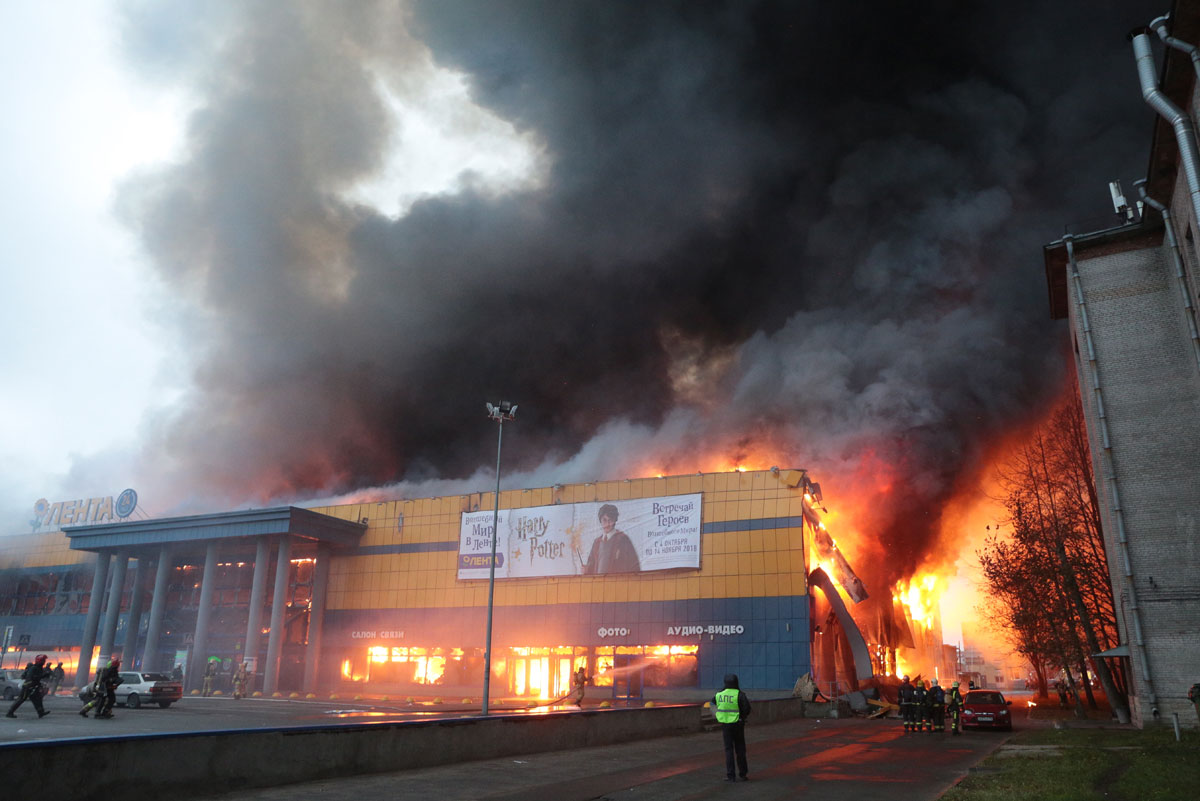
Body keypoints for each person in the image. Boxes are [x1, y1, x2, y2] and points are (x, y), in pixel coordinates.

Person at [713, 673, 751, 782]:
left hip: (726, 725)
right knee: (740, 750)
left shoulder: (719, 694)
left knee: (728, 750)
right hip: (738, 725)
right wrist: (742, 717)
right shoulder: (740, 694)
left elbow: (712, 704)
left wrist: (717, 715)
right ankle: (743, 774)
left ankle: (731, 775)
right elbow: (747, 709)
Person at [582, 504, 641, 574]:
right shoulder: (597, 542)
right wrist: (586, 570)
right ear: (600, 521)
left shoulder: (623, 540)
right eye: (604, 520)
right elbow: (591, 566)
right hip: (599, 584)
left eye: (610, 520)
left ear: (615, 521)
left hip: (618, 583)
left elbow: (634, 566)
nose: (607, 524)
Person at [5, 654, 51, 718]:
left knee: (38, 699)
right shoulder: (33, 668)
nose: (44, 662)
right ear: (40, 661)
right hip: (28, 687)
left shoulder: (39, 668)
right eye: (43, 660)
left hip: (34, 687)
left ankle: (41, 712)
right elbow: (31, 677)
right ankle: (10, 713)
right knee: (21, 699)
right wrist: (43, 675)